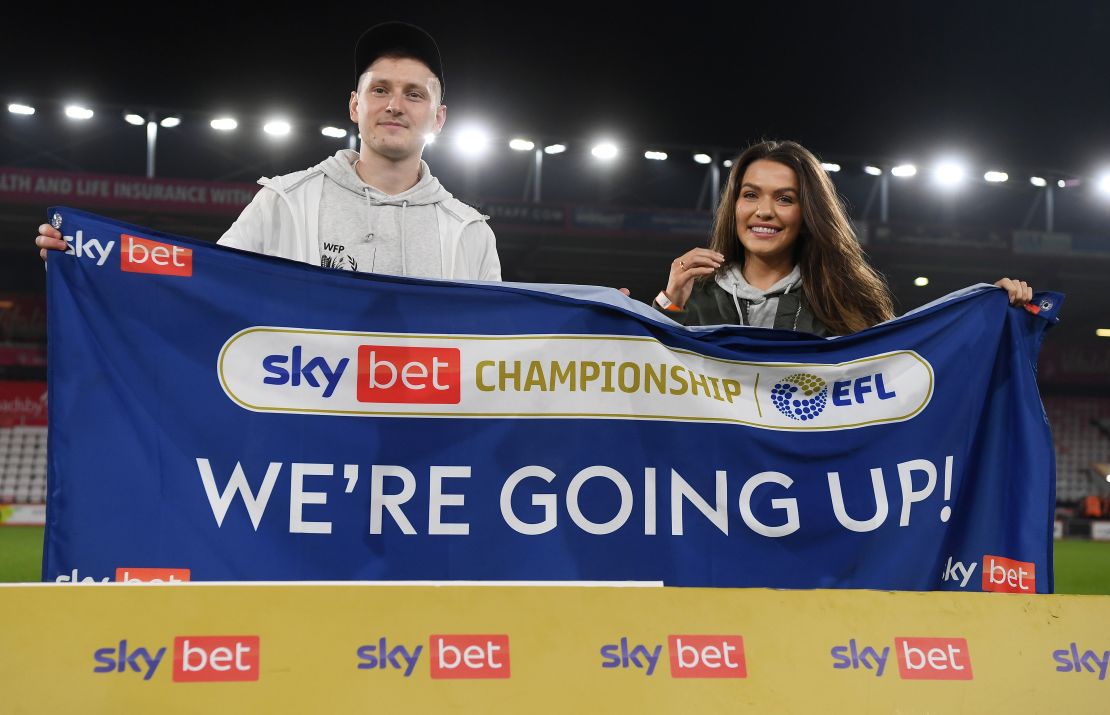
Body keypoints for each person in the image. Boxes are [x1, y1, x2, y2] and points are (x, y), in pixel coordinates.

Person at [36, 22, 501, 282]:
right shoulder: (284, 202)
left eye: (414, 94)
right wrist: (90, 255)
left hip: (423, 448)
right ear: (355, 106)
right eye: (380, 90)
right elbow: (201, 284)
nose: (395, 105)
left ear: (439, 117)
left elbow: (501, 350)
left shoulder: (469, 233)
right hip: (301, 441)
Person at [653, 140, 1031, 335]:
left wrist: (989, 312)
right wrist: (665, 306)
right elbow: (645, 386)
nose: (763, 211)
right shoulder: (695, 297)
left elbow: (910, 364)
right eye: (750, 194)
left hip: (811, 481)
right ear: (733, 206)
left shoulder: (845, 301)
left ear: (808, 215)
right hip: (713, 481)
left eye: (785, 199)